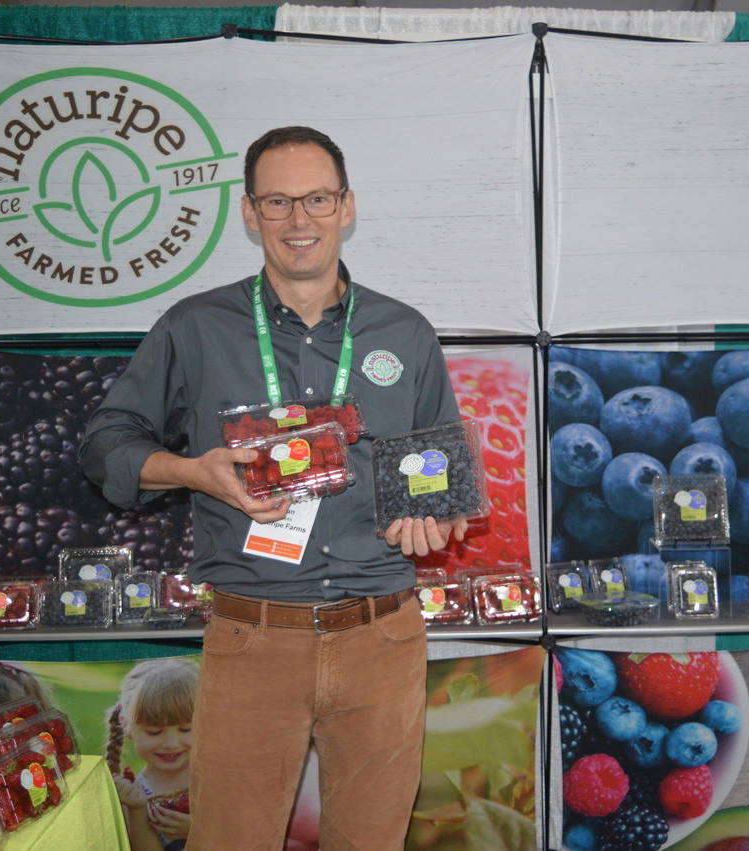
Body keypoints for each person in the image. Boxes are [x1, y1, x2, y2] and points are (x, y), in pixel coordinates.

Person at [80, 125, 465, 850]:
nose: (299, 219)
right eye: (278, 201)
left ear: (346, 206)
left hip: (382, 636)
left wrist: (437, 519)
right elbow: (104, 445)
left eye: (317, 198)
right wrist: (192, 470)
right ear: (250, 213)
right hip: (253, 636)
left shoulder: (405, 332)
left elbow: (439, 474)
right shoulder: (196, 327)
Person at [106, 658, 198, 851]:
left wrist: (199, 831)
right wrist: (137, 810)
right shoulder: (133, 794)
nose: (171, 744)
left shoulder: (216, 778)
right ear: (126, 725)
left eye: (185, 729)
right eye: (154, 732)